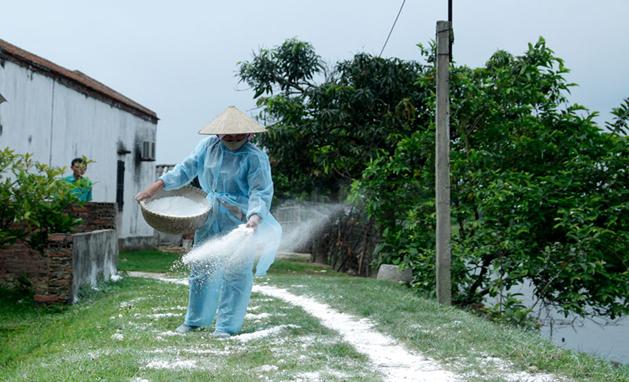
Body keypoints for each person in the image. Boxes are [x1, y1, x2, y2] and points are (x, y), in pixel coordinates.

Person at [135, 106, 282, 337]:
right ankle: (195, 320)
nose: (232, 140)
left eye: (238, 136)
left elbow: (260, 190)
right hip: (210, 213)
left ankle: (226, 326)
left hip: (240, 218)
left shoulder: (255, 157)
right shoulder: (208, 147)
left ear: (249, 135)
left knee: (236, 272)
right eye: (227, 136)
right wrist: (157, 186)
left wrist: (255, 216)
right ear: (218, 135)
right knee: (201, 268)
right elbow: (185, 169)